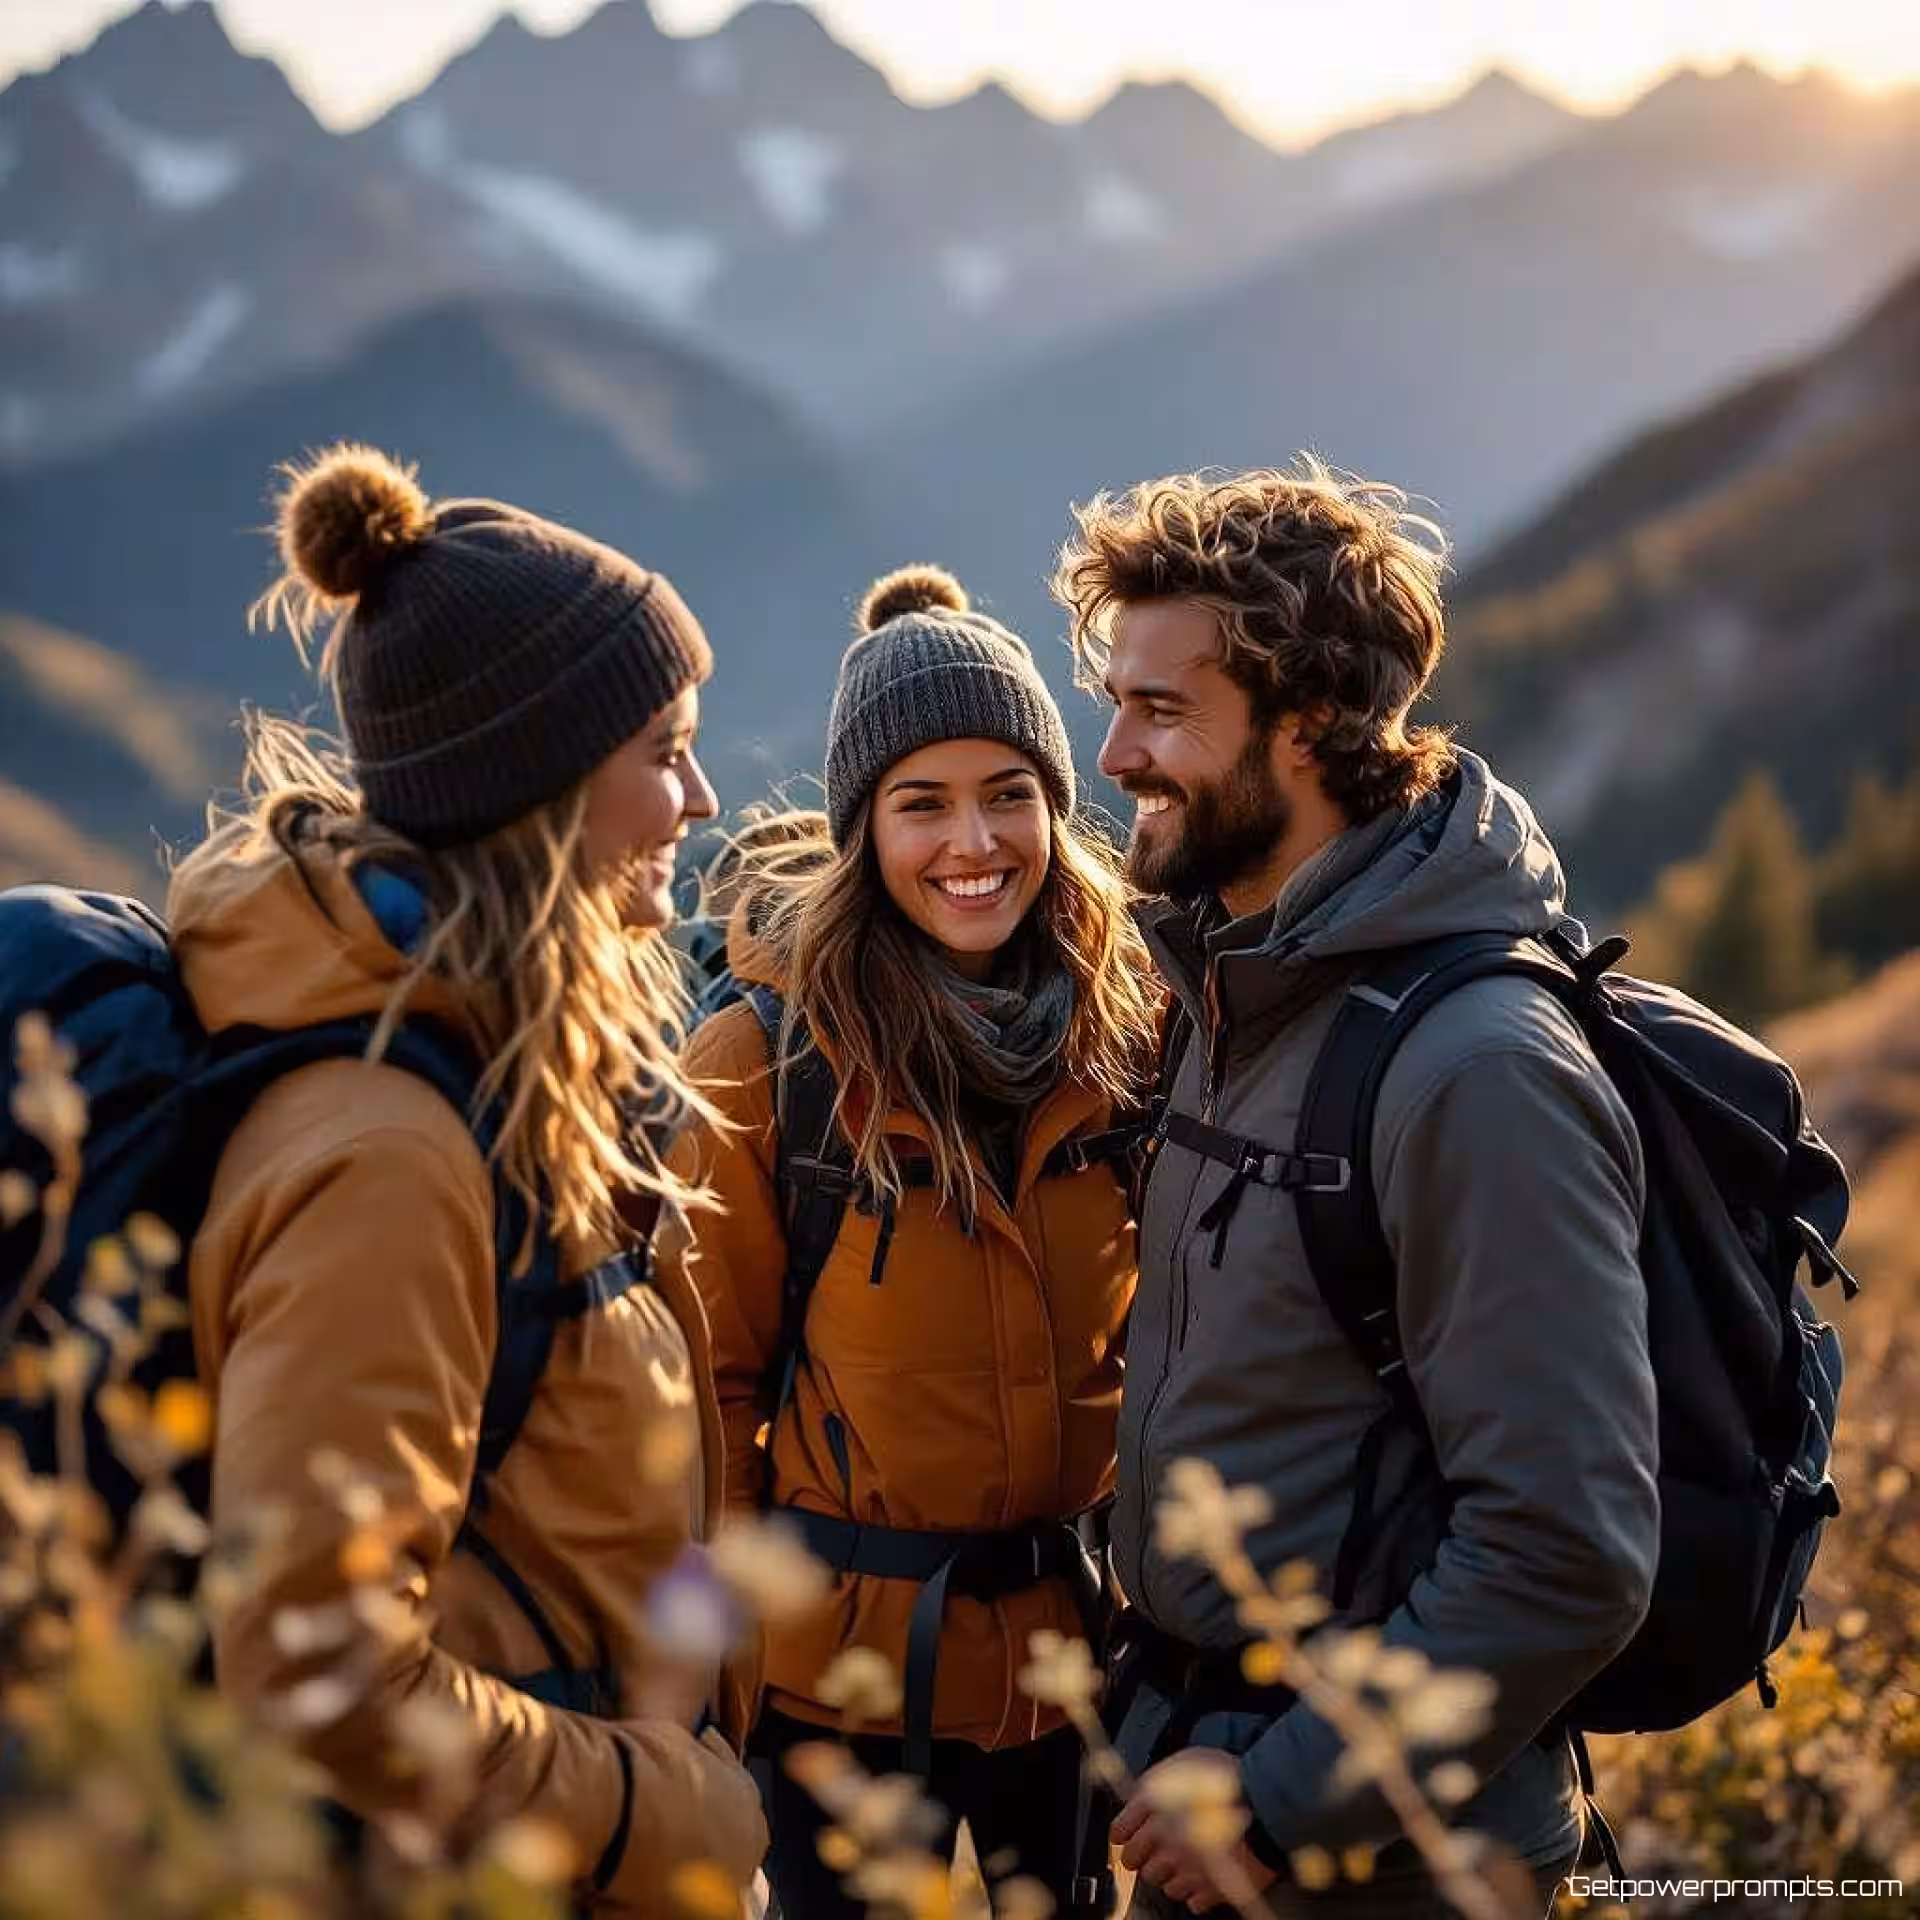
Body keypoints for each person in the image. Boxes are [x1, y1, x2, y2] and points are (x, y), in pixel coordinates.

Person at [1051, 462, 1660, 1917]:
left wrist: (1271, 1807)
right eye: (1115, 700)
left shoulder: (1476, 1071)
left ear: (1311, 722)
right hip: (1213, 1795)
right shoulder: (1234, 993)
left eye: (1162, 709)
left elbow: (1566, 1549)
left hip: (1382, 1865)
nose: (1116, 753)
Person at [168, 445, 767, 1913]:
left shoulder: (523, 1085)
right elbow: (315, 1669)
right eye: (659, 751)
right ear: (541, 796)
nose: (697, 796)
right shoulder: (392, 1157)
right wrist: (664, 1811)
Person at [669, 566, 1161, 1915]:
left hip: (1069, 1676)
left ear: (1059, 808)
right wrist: (719, 1679)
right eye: (921, 803)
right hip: (836, 1691)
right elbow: (710, 1388)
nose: (974, 842)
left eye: (1011, 793)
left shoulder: (1127, 1035)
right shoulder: (768, 1062)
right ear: (859, 828)